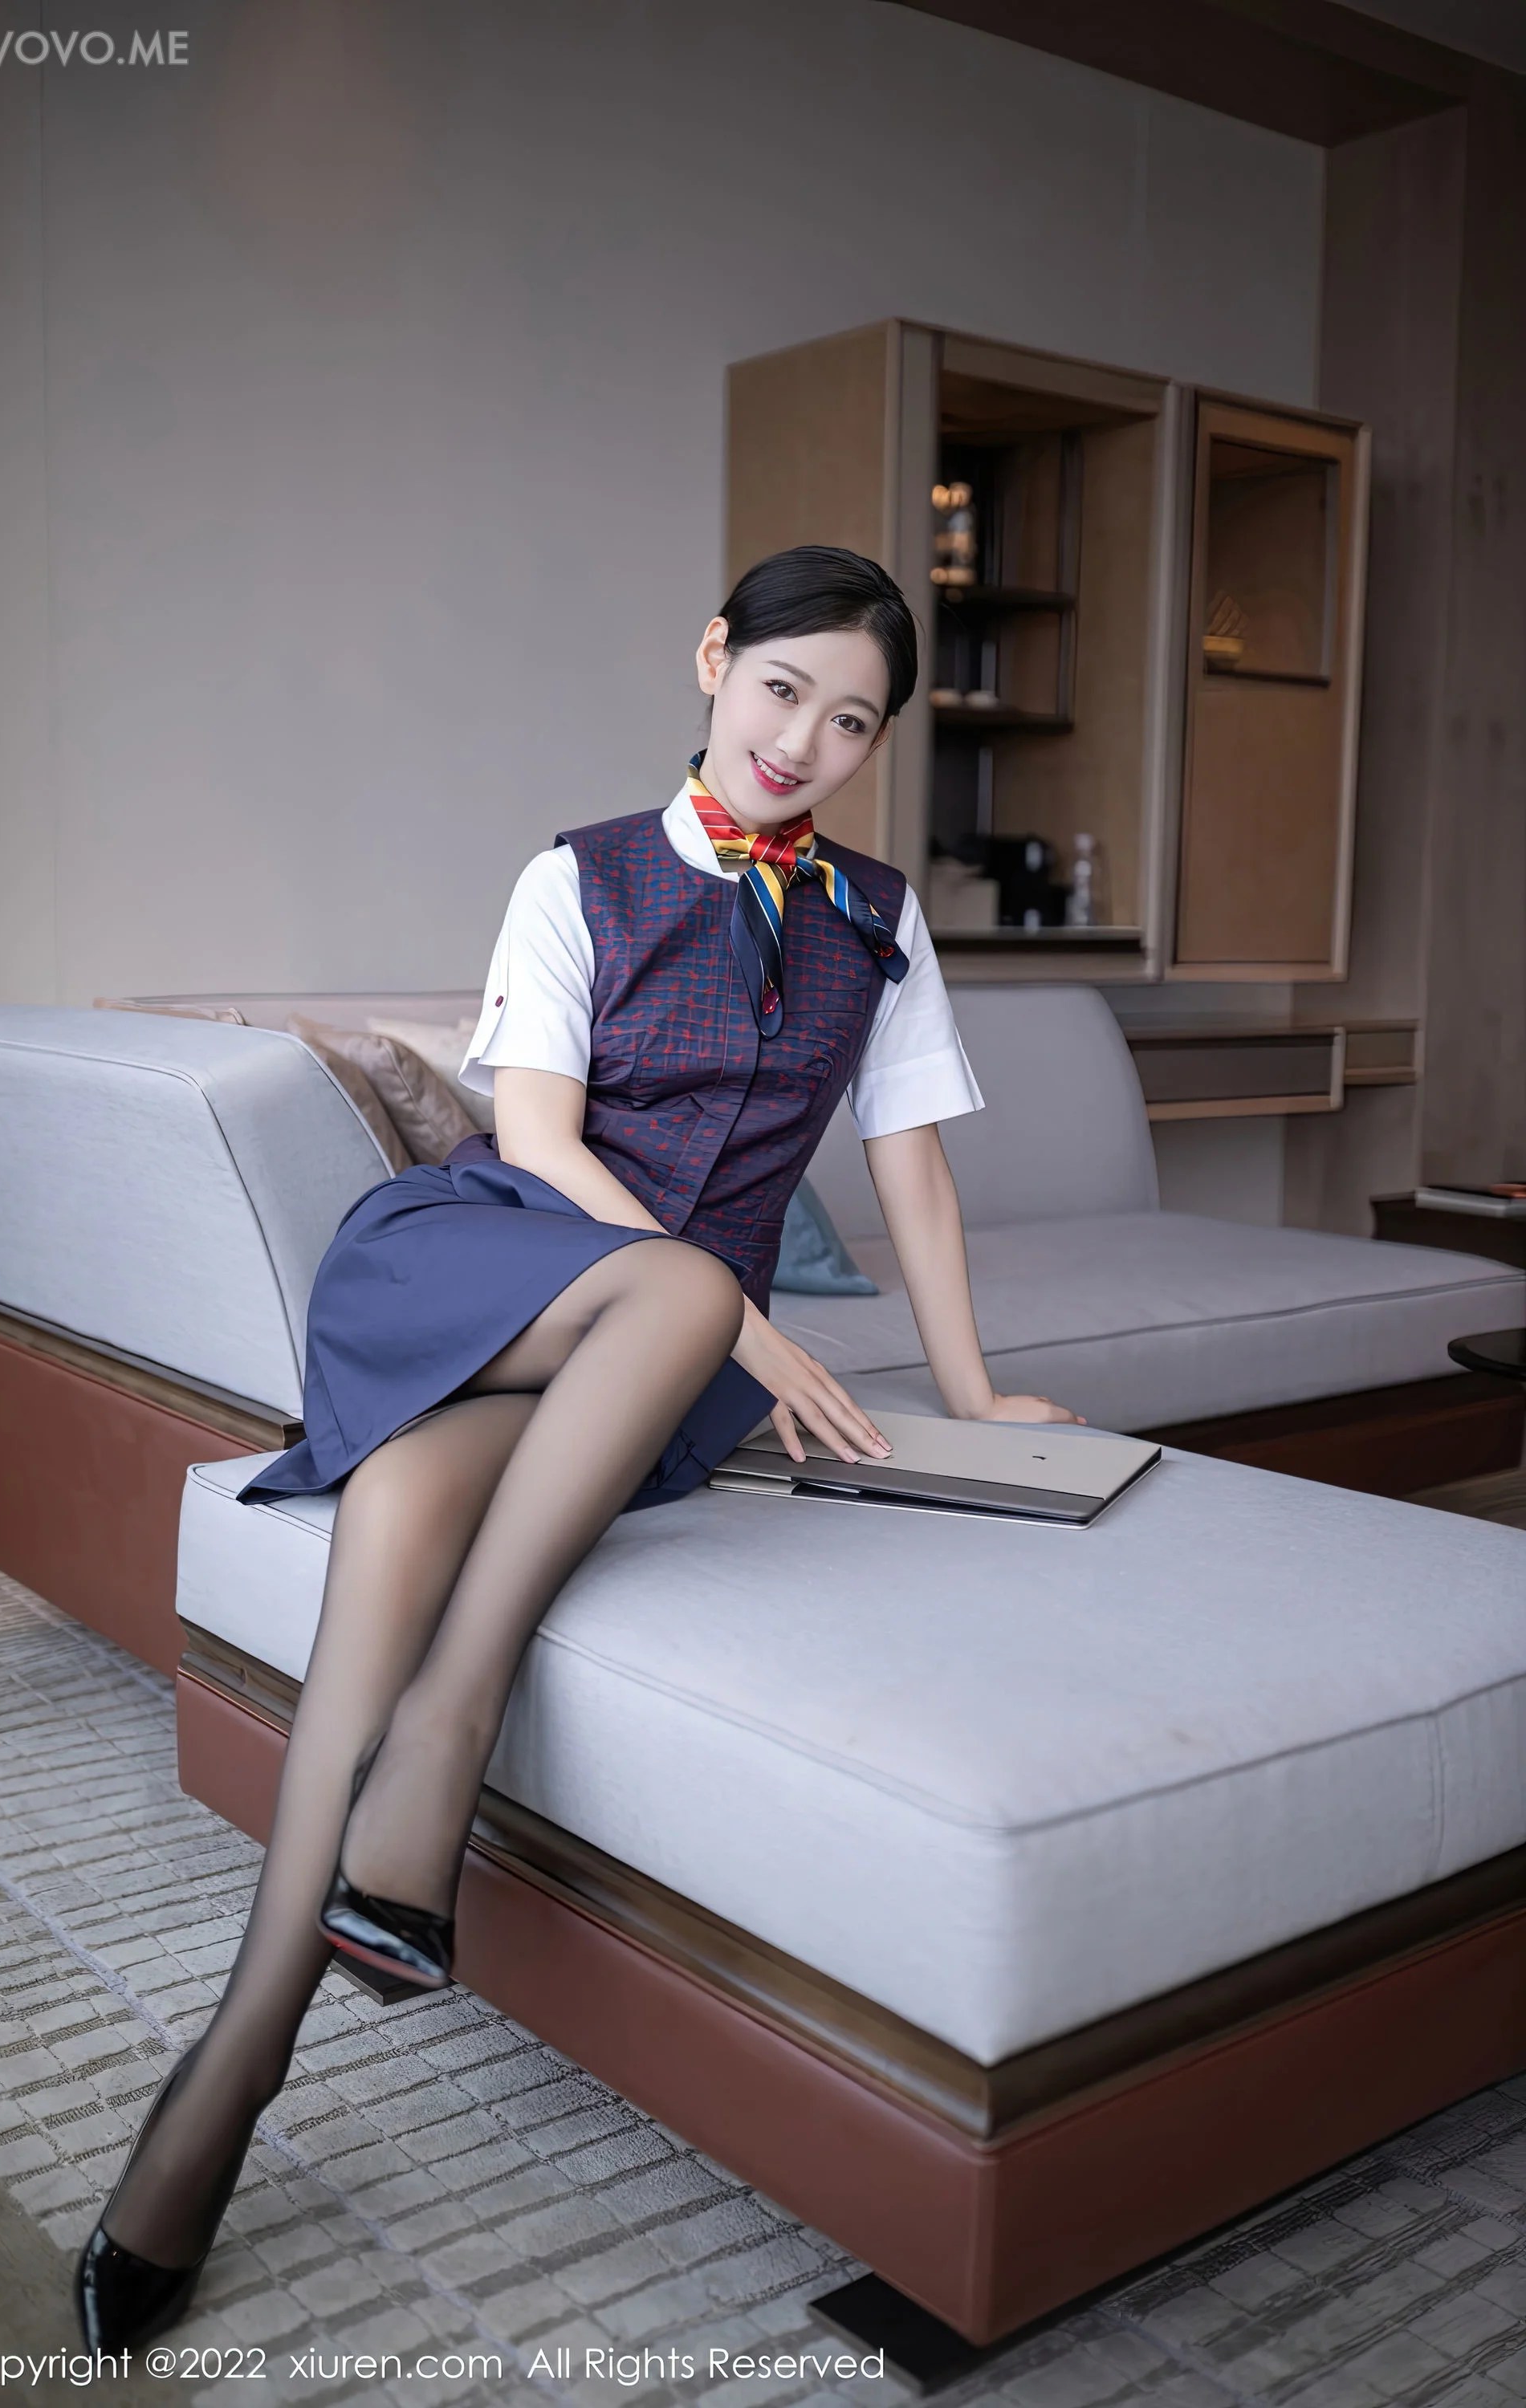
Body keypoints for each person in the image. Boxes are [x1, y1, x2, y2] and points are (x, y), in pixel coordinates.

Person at [74, 543, 1080, 2348]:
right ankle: (442, 1746)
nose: (804, 740)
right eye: (781, 690)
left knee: (406, 1495)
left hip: (644, 1370)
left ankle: (239, 2052)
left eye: (852, 722)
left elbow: (912, 1163)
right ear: (713, 662)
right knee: (680, 1287)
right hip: (488, 1271)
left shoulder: (877, 921)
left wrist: (976, 1388)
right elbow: (538, 1140)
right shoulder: (579, 875)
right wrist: (736, 1320)